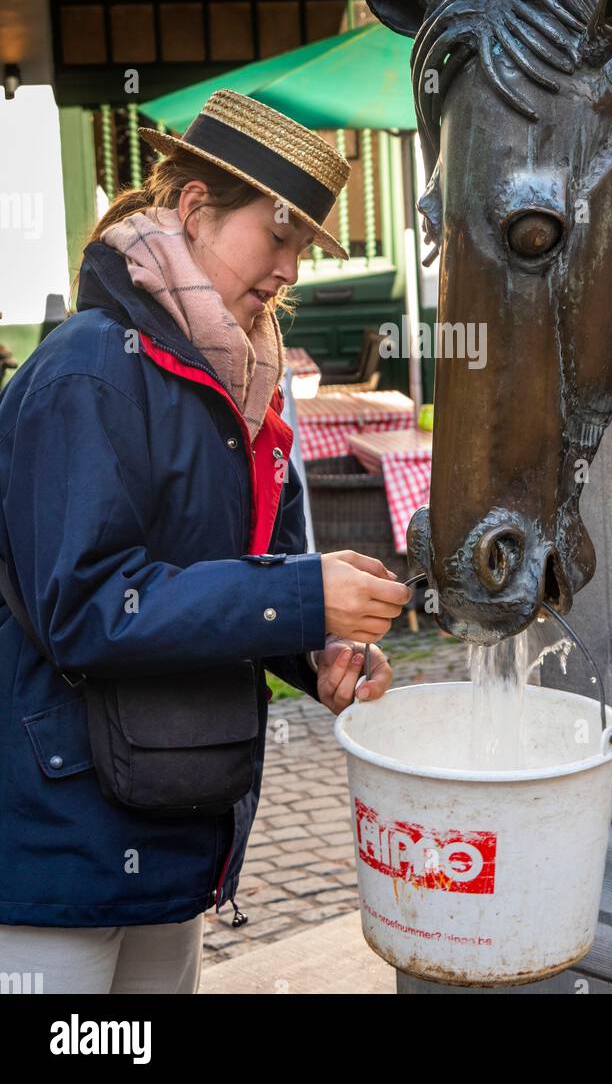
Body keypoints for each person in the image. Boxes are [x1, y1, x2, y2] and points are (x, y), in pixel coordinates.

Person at [0, 88, 411, 992]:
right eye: (281, 235)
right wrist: (303, 595)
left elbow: (258, 573)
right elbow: (86, 607)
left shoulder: (247, 382)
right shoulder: (86, 368)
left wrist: (322, 649)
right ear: (194, 208)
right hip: (57, 840)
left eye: (306, 246)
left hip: (173, 824)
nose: (291, 270)